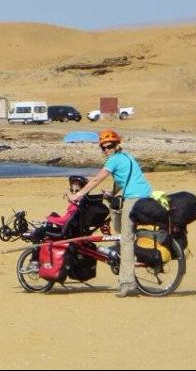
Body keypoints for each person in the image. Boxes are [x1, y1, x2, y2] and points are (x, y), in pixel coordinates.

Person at [68, 128, 153, 298]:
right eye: (103, 147)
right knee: (118, 216)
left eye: (110, 146)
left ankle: (127, 283)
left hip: (134, 198)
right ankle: (120, 248)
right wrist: (112, 194)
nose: (107, 150)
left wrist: (78, 194)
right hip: (143, 195)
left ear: (116, 145)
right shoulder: (126, 156)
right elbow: (124, 178)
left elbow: (97, 178)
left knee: (126, 240)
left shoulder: (113, 161)